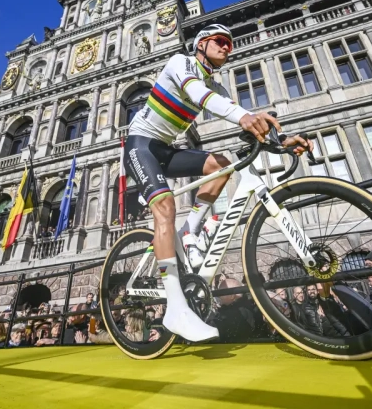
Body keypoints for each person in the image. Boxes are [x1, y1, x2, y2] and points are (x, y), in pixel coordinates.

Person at [124, 24, 313, 342]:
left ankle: (190, 232)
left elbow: (239, 112)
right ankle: (175, 309)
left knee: (222, 164)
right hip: (140, 145)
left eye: (230, 44)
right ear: (201, 44)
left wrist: (281, 142)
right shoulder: (180, 63)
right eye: (220, 41)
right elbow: (202, 96)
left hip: (166, 150)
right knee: (166, 206)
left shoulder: (217, 87)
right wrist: (242, 117)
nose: (227, 47)